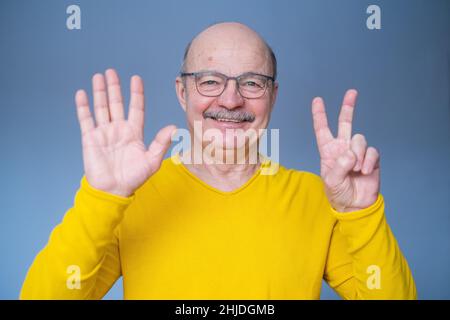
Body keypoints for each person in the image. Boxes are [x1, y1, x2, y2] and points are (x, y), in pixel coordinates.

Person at [20, 22, 416, 299]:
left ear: (273, 96)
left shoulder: (317, 198)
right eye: (210, 80)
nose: (230, 100)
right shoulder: (129, 201)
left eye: (252, 82)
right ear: (182, 92)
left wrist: (361, 213)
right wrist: (101, 198)